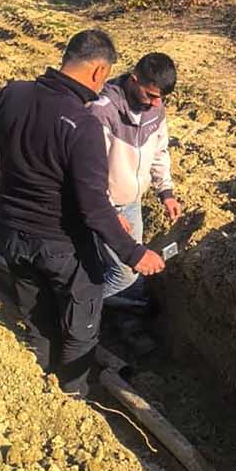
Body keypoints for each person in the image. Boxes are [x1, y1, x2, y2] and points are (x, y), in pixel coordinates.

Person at [0, 29, 165, 396]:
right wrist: (135, 253)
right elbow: (92, 207)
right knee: (79, 330)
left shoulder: (13, 94)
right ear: (98, 72)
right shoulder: (83, 125)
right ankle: (71, 400)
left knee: (38, 321)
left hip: (13, 236)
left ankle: (39, 386)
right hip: (63, 248)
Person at [87, 52, 183, 300]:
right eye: (150, 95)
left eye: (160, 98)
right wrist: (110, 213)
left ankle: (127, 312)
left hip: (131, 203)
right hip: (102, 206)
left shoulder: (155, 108)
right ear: (134, 79)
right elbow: (89, 170)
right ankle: (76, 308)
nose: (155, 103)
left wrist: (166, 192)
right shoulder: (103, 111)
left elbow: (159, 150)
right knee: (124, 274)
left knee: (132, 266)